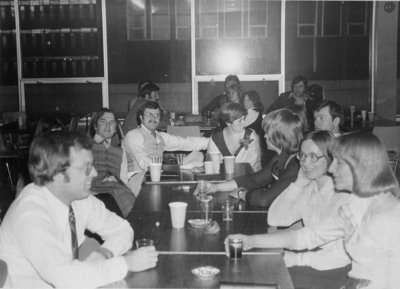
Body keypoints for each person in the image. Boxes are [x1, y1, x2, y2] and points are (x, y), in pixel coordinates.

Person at [225, 132, 400, 289]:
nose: (331, 169)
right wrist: (250, 240)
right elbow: (307, 236)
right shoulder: (356, 205)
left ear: (360, 165)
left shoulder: (389, 216)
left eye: (338, 162)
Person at [0, 131, 158, 288]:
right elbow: (67, 279)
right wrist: (125, 264)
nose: (95, 173)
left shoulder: (77, 199)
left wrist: (103, 254)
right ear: (58, 175)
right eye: (86, 168)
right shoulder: (30, 215)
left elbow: (122, 229)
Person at [268, 130, 351, 270]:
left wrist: (297, 259)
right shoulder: (310, 187)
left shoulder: (343, 194)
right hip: (316, 261)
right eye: (303, 155)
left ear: (330, 158)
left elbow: (344, 255)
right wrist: (298, 184)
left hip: (341, 268)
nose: (305, 162)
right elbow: (275, 219)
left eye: (313, 157)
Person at [203, 109, 302, 209]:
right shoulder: (278, 158)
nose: (265, 136)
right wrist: (215, 187)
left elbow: (264, 199)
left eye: (268, 132)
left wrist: (241, 193)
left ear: (279, 136)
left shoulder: (296, 165)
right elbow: (253, 180)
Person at [122, 101, 209, 195]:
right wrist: (170, 168)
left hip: (156, 176)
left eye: (156, 115)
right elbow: (144, 161)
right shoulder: (133, 136)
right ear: (141, 117)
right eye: (149, 115)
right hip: (137, 180)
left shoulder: (160, 137)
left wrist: (214, 141)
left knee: (188, 185)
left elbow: (187, 142)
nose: (153, 118)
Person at [89, 108, 135, 217]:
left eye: (112, 122)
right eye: (103, 121)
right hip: (92, 194)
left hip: (116, 196)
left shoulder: (121, 153)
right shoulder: (84, 148)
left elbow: (124, 180)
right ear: (95, 126)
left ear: (115, 129)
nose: (108, 126)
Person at [207, 102, 261, 172]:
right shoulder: (216, 140)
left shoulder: (250, 136)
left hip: (247, 179)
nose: (244, 123)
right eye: (240, 121)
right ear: (228, 123)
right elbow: (214, 169)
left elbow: (255, 165)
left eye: (244, 119)